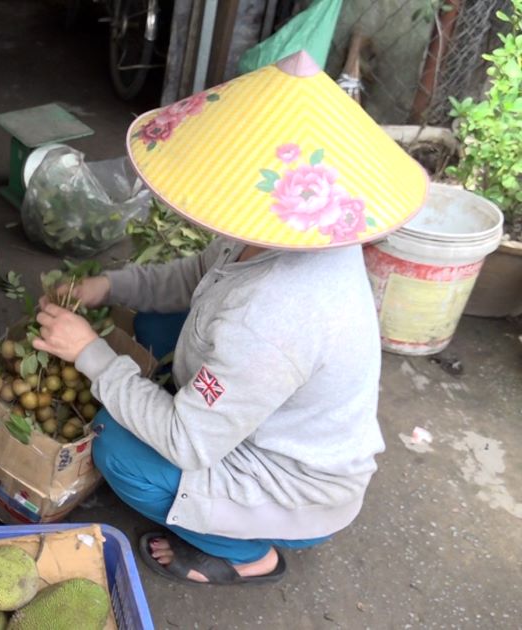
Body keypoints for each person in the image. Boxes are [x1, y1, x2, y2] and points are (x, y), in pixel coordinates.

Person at [32, 51, 428, 585]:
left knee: (117, 449)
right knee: (154, 327)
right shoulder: (292, 229)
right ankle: (202, 431)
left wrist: (90, 354)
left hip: (293, 489)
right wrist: (110, 286)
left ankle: (244, 554)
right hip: (266, 407)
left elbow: (186, 441)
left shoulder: (274, 318)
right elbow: (200, 274)